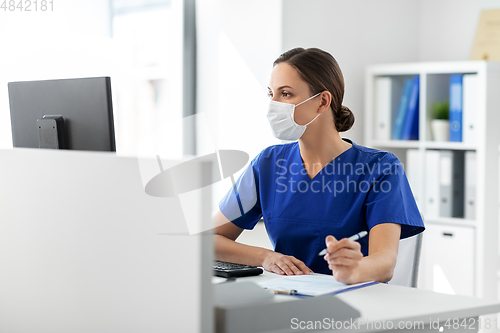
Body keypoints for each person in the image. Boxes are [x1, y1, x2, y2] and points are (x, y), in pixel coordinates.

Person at [213, 47, 424, 284]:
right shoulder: (267, 165)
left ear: (322, 101)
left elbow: (385, 262)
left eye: (286, 94)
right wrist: (265, 257)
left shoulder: (381, 169)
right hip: (288, 298)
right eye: (271, 93)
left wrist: (355, 269)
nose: (273, 105)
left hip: (356, 303)